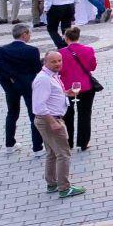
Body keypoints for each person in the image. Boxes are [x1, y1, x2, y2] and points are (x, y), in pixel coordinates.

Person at [0, 22, 44, 150]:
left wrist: (6, 75)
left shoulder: (1, 50)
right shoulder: (32, 50)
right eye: (29, 34)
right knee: (33, 114)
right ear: (24, 35)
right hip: (28, 85)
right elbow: (37, 69)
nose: (30, 36)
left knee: (12, 113)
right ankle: (37, 147)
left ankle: (9, 144)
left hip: (10, 86)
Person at [31, 50, 80, 197]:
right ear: (45, 62)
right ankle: (64, 188)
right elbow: (38, 105)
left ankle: (52, 183)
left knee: (52, 153)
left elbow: (50, 96)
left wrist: (65, 93)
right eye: (54, 61)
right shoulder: (43, 79)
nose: (58, 64)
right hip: (50, 120)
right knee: (63, 154)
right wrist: (52, 122)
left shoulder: (50, 76)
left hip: (50, 119)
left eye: (59, 61)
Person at [59, 24, 99, 151]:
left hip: (67, 89)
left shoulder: (61, 53)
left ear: (66, 38)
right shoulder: (89, 50)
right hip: (86, 87)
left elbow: (59, 71)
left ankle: (68, 142)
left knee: (67, 116)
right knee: (85, 115)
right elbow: (92, 67)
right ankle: (83, 142)